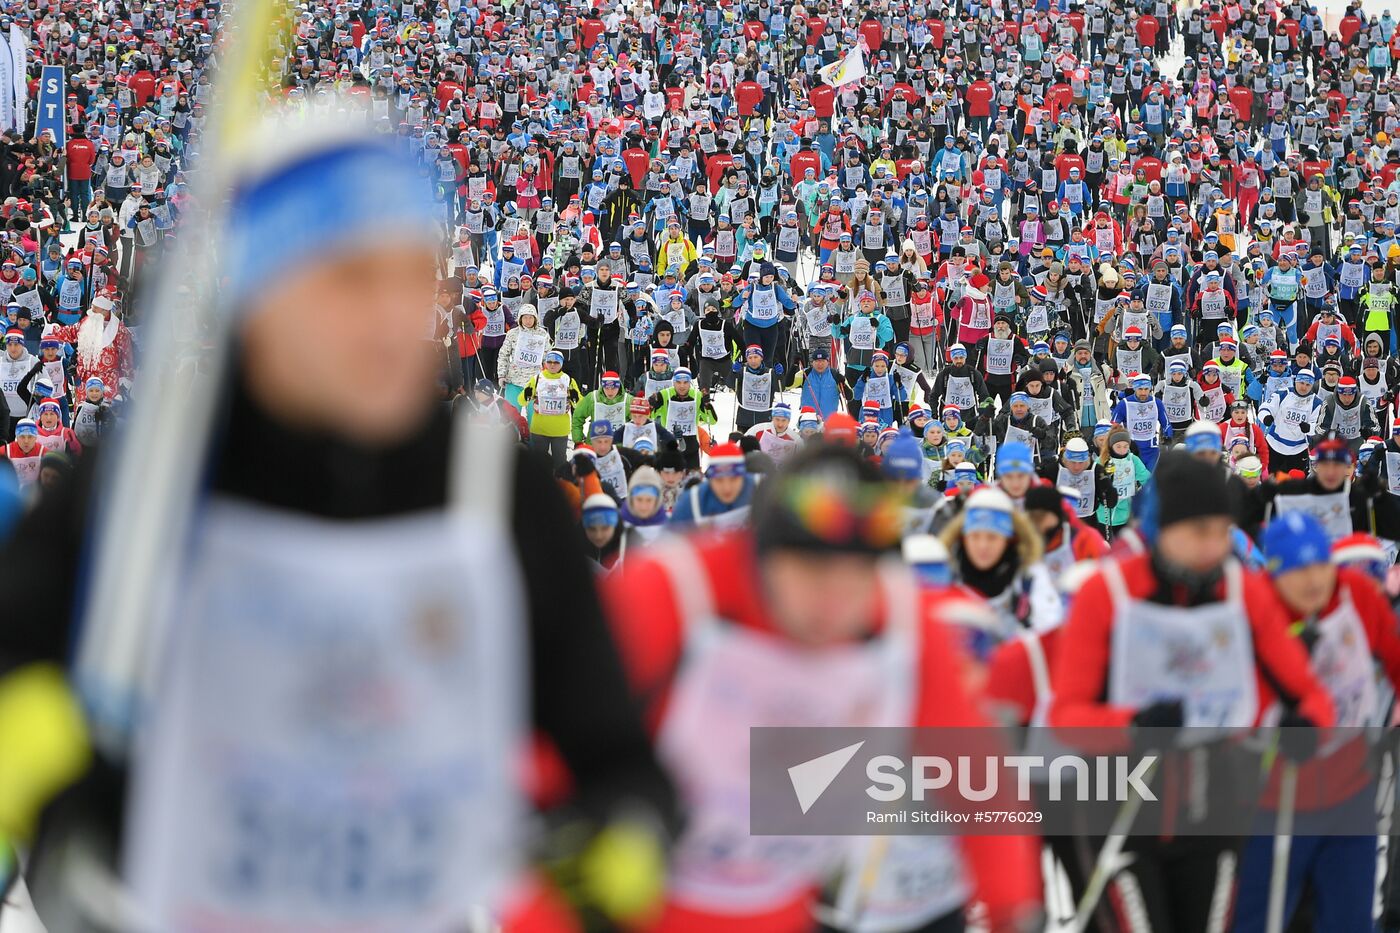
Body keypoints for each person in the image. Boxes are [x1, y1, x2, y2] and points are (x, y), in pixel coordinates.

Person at [0, 112, 676, 932]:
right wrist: (44, 759)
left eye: (417, 278)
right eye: (351, 279)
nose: (396, 318)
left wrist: (620, 838)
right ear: (261, 296)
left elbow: (614, 754)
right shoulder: (154, 483)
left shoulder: (498, 488)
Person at [603, 444, 1043, 933]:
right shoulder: (674, 593)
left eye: (856, 578)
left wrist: (1011, 908)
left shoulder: (900, 620)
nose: (834, 604)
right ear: (763, 557)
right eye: (813, 573)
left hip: (790, 906)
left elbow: (976, 771)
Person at [1050, 451, 1335, 933]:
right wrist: (1133, 727)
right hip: (1122, 812)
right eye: (1199, 531)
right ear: (1164, 529)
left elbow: (1308, 693)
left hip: (1214, 813)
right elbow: (1066, 715)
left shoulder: (1242, 590)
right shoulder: (1109, 594)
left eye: (1222, 531)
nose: (1214, 546)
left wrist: (1305, 727)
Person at [1234, 511, 1400, 933]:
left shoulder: (1357, 593)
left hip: (1349, 790)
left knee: (1351, 917)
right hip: (1273, 798)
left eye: (1320, 565)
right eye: (1298, 570)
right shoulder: (1252, 609)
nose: (1313, 580)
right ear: (1272, 574)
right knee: (1262, 918)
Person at [668, 441, 755, 529]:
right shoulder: (693, 501)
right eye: (719, 480)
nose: (727, 488)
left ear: (744, 477)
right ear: (710, 479)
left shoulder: (760, 491)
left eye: (733, 479)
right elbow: (670, 537)